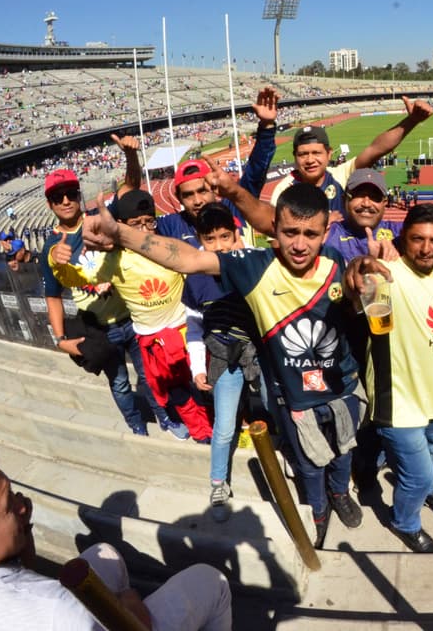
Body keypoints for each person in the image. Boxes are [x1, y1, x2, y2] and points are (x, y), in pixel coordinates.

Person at [83, 182, 366, 547]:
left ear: (325, 232)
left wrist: (364, 269)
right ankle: (318, 508)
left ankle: (340, 493)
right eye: (290, 232)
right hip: (295, 396)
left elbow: (358, 280)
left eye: (310, 234)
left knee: (344, 449)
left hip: (339, 386)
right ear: (273, 231)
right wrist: (118, 231)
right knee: (309, 462)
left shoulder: (336, 261)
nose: (299, 244)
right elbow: (186, 259)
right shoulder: (253, 266)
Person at [0, 438, 232, 631]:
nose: (23, 505)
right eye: (10, 505)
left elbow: (21, 575)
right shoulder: (55, 611)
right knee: (210, 581)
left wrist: (22, 531)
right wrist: (128, 603)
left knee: (105, 554)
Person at [50, 189, 214, 442]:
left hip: (187, 333)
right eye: (136, 224)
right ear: (123, 226)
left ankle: (212, 423)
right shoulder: (113, 260)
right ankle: (202, 433)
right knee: (178, 392)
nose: (145, 228)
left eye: (149, 221)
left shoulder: (168, 245)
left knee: (203, 384)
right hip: (155, 343)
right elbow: (76, 278)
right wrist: (56, 263)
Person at [349, 204, 433, 552]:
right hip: (398, 403)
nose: (426, 248)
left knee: (431, 448)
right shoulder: (384, 277)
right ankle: (405, 522)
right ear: (403, 239)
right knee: (419, 474)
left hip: (432, 396)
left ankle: (424, 494)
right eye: (417, 240)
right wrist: (361, 270)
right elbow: (359, 297)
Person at [37, 165, 179, 439]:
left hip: (133, 316)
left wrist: (129, 154)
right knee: (121, 384)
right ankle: (136, 426)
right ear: (50, 203)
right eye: (57, 197)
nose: (65, 201)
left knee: (150, 376)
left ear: (78, 195)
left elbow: (131, 189)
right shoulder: (50, 248)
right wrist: (59, 338)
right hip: (101, 329)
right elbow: (52, 296)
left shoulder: (102, 219)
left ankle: (165, 419)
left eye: (70, 194)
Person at [182, 203, 261, 522]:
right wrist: (197, 366)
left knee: (281, 409)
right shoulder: (196, 278)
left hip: (260, 353)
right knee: (224, 426)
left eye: (225, 237)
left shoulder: (251, 261)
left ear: (236, 234)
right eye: (210, 238)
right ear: (199, 239)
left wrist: (246, 254)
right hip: (224, 356)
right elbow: (194, 326)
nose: (219, 245)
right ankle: (218, 482)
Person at [158, 86, 281, 247]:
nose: (197, 201)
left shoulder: (236, 207)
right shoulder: (172, 225)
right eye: (188, 195)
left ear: (214, 189)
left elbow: (256, 169)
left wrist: (266, 125)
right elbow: (131, 222)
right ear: (179, 198)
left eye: (202, 191)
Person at [272, 96, 433, 213]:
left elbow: (376, 149)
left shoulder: (339, 175)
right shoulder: (283, 191)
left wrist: (412, 121)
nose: (310, 160)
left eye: (316, 153)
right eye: (303, 154)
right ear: (295, 157)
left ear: (329, 154)